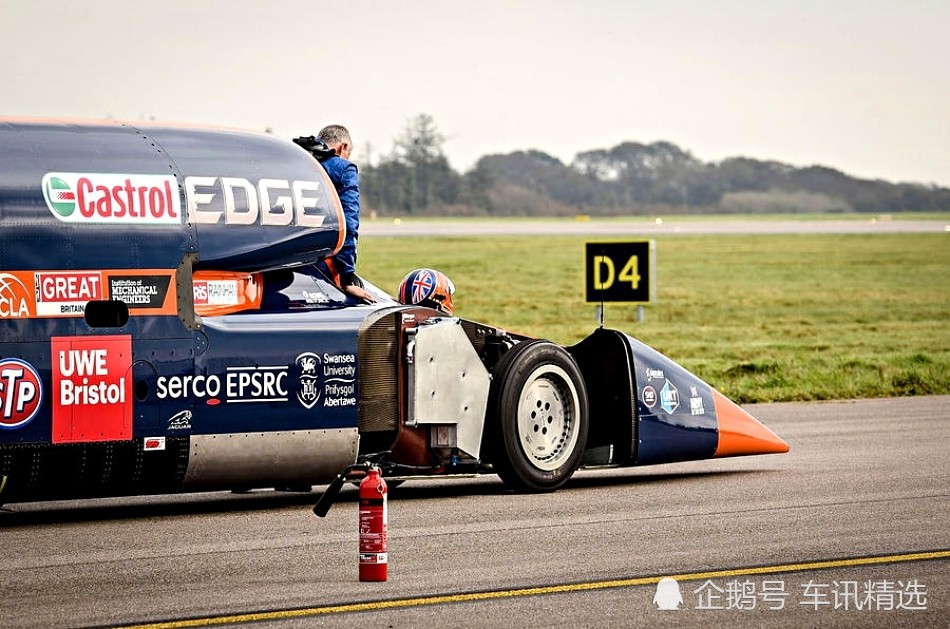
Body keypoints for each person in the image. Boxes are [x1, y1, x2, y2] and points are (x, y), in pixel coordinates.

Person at [304, 125, 375, 302]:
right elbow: (348, 223)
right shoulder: (344, 168)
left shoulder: (297, 161)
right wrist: (347, 275)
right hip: (322, 263)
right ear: (343, 147)